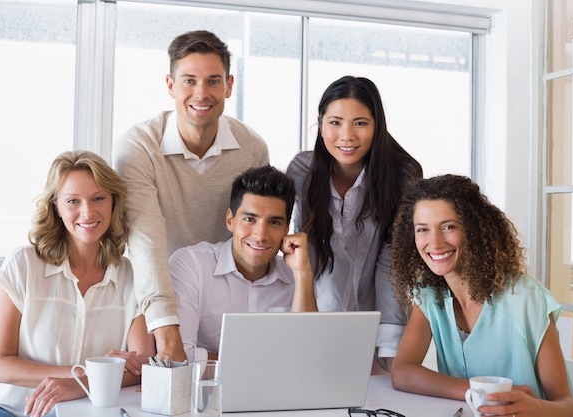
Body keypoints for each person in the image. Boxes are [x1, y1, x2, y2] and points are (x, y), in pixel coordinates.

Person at [112, 30, 269, 361]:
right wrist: (167, 330)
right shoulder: (138, 147)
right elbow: (145, 238)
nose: (201, 93)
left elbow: (253, 228)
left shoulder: (252, 148)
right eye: (189, 81)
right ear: (170, 85)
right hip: (159, 298)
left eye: (213, 81)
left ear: (229, 85)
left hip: (223, 296)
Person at [0, 150, 156, 417]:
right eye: (73, 201)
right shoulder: (23, 265)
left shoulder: (132, 276)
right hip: (4, 408)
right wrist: (85, 374)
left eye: (98, 198)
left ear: (113, 202)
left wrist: (78, 386)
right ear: (56, 207)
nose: (87, 212)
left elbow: (141, 367)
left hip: (84, 411)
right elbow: (0, 365)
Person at [389, 174, 573, 417]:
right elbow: (402, 372)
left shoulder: (523, 297)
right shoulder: (428, 295)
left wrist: (537, 408)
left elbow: (567, 407)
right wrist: (481, 393)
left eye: (448, 227)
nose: (434, 242)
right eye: (422, 229)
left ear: (474, 230)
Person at [286, 75, 423, 372]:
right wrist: (307, 323)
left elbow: (393, 261)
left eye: (360, 123)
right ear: (320, 122)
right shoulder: (301, 170)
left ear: (377, 126)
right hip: (316, 314)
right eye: (335, 122)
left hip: (377, 314)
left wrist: (389, 349)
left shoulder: (402, 174)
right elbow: (303, 250)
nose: (346, 136)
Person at [169, 166, 317, 359]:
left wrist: (303, 273)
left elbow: (305, 357)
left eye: (274, 222)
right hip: (211, 389)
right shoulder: (191, 266)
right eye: (249, 219)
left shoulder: (295, 275)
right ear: (230, 220)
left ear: (287, 229)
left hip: (277, 389)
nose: (260, 235)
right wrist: (263, 364)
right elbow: (181, 356)